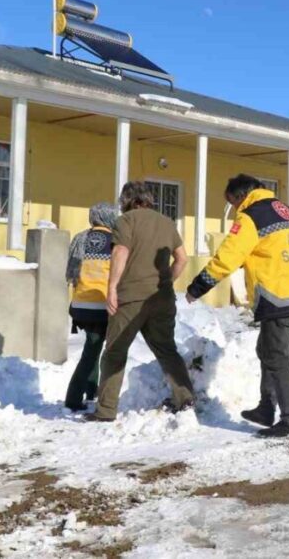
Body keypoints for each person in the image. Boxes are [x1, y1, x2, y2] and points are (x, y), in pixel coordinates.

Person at [186, 174, 289, 438]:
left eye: (232, 203)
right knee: (266, 349)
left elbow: (227, 258)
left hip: (276, 296)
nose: (234, 209)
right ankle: (266, 408)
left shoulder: (250, 217)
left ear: (239, 196)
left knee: (277, 357)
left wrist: (197, 287)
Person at [87, 181, 196, 423]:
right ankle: (186, 399)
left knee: (114, 352)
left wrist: (112, 287)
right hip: (162, 298)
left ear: (127, 200)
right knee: (167, 350)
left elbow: (120, 253)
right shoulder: (167, 223)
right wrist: (166, 282)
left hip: (130, 298)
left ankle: (105, 410)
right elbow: (182, 259)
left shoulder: (126, 221)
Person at [63, 202, 118, 412]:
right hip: (101, 304)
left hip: (79, 304)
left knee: (92, 345)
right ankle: (73, 397)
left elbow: (70, 272)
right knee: (92, 350)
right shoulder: (115, 241)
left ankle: (91, 390)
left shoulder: (80, 238)